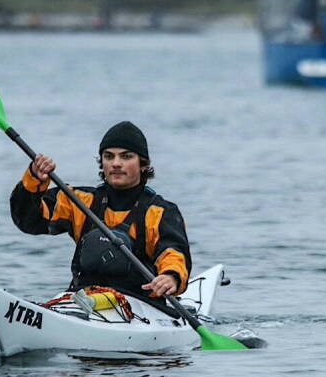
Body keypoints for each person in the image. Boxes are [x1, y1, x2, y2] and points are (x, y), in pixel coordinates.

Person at [10, 121, 191, 301]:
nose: (116, 164)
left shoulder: (161, 212)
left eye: (126, 157)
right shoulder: (79, 201)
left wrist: (171, 277)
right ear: (102, 162)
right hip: (84, 298)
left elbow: (173, 251)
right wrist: (34, 178)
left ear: (143, 164)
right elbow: (28, 220)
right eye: (109, 156)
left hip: (140, 304)